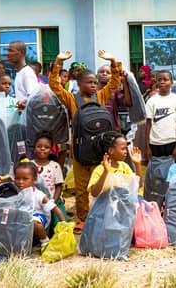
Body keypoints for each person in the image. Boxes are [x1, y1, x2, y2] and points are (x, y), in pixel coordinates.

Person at [48, 49, 121, 233]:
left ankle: (101, 215)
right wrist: (58, 62)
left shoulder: (101, 96)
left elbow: (114, 83)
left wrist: (113, 61)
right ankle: (84, 218)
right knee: (81, 189)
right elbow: (54, 86)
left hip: (99, 151)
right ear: (79, 83)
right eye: (89, 82)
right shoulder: (71, 99)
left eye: (95, 82)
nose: (94, 85)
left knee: (102, 184)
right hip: (80, 151)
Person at [0, 161, 66, 248]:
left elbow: (54, 208)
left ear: (34, 179)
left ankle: (44, 240)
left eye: (25, 179)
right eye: (17, 178)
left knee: (33, 221)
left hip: (35, 220)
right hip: (18, 221)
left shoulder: (37, 194)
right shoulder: (12, 191)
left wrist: (64, 223)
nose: (20, 182)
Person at [145, 70, 176, 160]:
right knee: (157, 171)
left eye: (165, 79)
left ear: (171, 82)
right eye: (159, 80)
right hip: (155, 143)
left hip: (172, 142)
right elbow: (148, 125)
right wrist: (147, 147)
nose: (162, 82)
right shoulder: (151, 101)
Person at [88, 131, 142, 198]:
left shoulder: (124, 167)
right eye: (123, 149)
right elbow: (94, 193)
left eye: (126, 148)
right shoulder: (100, 169)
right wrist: (105, 172)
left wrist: (137, 165)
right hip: (105, 207)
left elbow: (138, 185)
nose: (126, 152)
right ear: (111, 150)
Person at [97, 63, 131, 133]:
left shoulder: (115, 91)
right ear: (96, 75)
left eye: (108, 72)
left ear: (112, 76)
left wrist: (124, 81)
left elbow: (128, 102)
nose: (104, 74)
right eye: (101, 72)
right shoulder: (91, 91)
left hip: (112, 130)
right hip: (94, 129)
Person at [7, 40, 38, 108]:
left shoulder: (27, 73)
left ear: (21, 53)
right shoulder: (20, 72)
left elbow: (34, 98)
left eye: (11, 51)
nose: (8, 54)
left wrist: (23, 103)